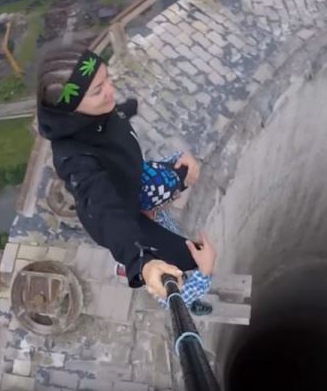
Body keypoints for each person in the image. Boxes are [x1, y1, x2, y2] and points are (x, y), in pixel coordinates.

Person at [36, 48, 217, 314]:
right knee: (190, 260)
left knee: (181, 172)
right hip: (122, 216)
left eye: (107, 79)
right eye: (98, 90)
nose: (111, 91)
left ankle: (141, 250)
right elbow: (104, 209)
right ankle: (187, 296)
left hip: (131, 185)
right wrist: (142, 263)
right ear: (71, 108)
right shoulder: (75, 160)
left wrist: (127, 109)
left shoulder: (98, 114)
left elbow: (115, 122)